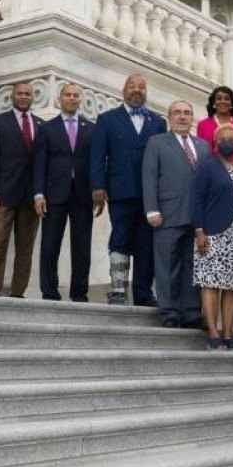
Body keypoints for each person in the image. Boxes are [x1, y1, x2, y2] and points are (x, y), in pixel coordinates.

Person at [90, 74, 167, 306]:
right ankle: (118, 290)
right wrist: (98, 185)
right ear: (123, 90)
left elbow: (163, 159)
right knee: (120, 237)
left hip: (150, 194)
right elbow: (97, 155)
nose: (137, 90)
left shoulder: (158, 122)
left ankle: (144, 293)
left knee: (146, 243)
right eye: (132, 86)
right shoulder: (107, 119)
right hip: (120, 190)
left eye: (141, 87)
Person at [142, 100, 208, 328]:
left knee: (192, 265)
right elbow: (149, 177)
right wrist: (151, 208)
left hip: (197, 219)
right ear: (169, 117)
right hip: (167, 214)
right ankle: (169, 310)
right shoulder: (157, 143)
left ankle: (190, 311)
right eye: (177, 113)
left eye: (187, 113)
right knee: (167, 264)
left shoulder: (203, 146)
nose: (182, 117)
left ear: (192, 118)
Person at [191, 124, 233, 350]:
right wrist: (199, 230)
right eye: (224, 138)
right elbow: (197, 199)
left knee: (231, 287)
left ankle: (228, 336)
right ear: (216, 143)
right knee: (210, 284)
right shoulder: (207, 166)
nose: (229, 142)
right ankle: (214, 334)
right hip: (212, 234)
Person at [33, 83, 95, 301]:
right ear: (60, 99)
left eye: (75, 95)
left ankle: (79, 293)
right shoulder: (47, 128)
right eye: (67, 95)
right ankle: (49, 291)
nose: (71, 98)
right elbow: (39, 163)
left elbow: (96, 163)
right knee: (50, 244)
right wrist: (38, 193)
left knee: (82, 247)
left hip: (83, 195)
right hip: (53, 195)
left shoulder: (92, 128)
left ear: (80, 100)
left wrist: (98, 191)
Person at [0, 80, 44, 295]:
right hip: (3, 194)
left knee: (25, 249)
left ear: (32, 96)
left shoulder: (41, 125)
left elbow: (41, 164)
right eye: (20, 93)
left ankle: (18, 292)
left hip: (30, 198)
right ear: (12, 96)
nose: (24, 96)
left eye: (28, 93)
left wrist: (40, 193)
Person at [196, 85, 233, 167]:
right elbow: (202, 152)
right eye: (219, 98)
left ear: (232, 103)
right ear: (214, 103)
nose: (223, 101)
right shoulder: (203, 125)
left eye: (227, 99)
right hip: (214, 170)